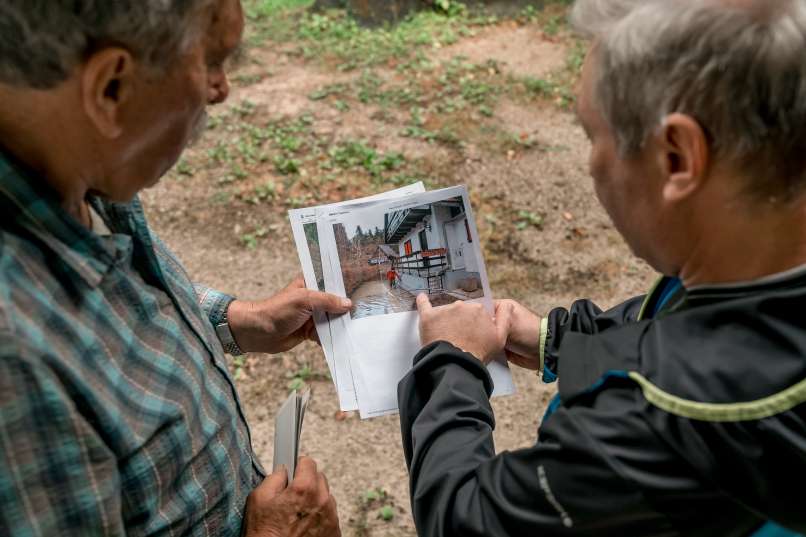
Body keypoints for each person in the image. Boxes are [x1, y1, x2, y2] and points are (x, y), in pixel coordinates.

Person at [398, 0, 806, 536]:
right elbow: (681, 324)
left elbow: (468, 520)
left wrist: (450, 364)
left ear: (677, 157)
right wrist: (554, 339)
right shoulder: (759, 266)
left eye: (594, 136)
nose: (592, 164)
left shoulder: (660, 424)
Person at [0, 1, 348, 535]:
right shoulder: (16, 365)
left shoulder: (75, 170)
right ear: (111, 86)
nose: (220, 90)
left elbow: (123, 309)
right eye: (211, 61)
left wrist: (239, 319)